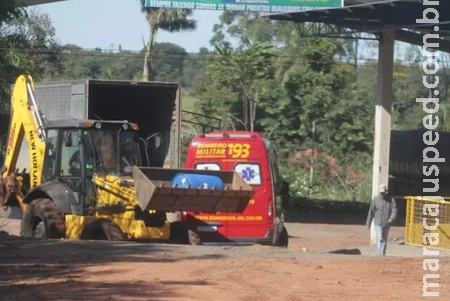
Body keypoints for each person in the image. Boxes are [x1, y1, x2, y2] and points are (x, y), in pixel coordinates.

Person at [366, 184, 397, 256]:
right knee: (380, 238)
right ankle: (381, 255)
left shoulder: (391, 200)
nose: (382, 194)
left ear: (386, 191)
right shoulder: (375, 200)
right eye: (381, 192)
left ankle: (382, 253)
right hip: (378, 223)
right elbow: (371, 212)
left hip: (387, 223)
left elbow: (394, 210)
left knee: (384, 239)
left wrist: (391, 218)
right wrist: (368, 223)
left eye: (383, 192)